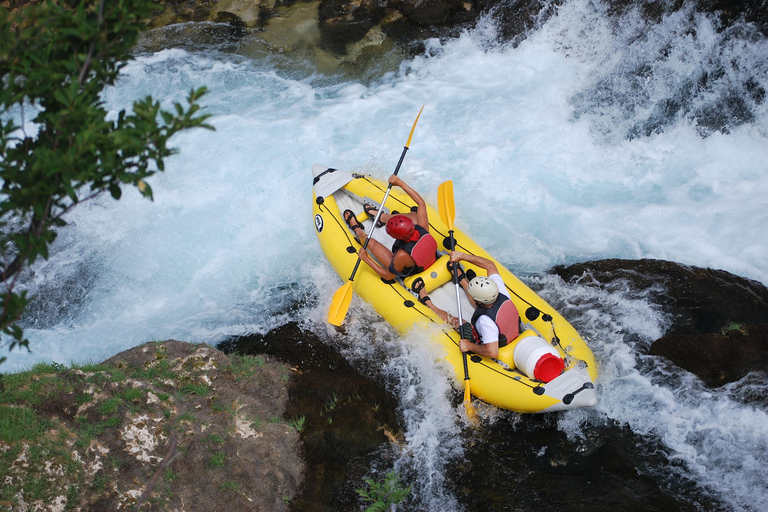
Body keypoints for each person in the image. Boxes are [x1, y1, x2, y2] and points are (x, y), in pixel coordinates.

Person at [343, 175, 438, 281]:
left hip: (415, 269)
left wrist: (366, 258)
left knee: (369, 241)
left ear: (395, 237)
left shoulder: (401, 255)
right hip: (429, 256)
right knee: (415, 216)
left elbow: (388, 276)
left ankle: (357, 229)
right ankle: (381, 217)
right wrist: (400, 183)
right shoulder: (423, 227)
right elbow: (421, 203)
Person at [449, 251, 520, 359]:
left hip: (496, 342)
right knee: (480, 303)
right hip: (508, 331)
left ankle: (427, 302)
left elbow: (492, 352)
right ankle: (461, 279)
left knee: (457, 321)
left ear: (480, 302)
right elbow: (490, 265)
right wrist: (462, 256)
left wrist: (469, 346)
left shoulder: (484, 321)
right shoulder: (501, 291)